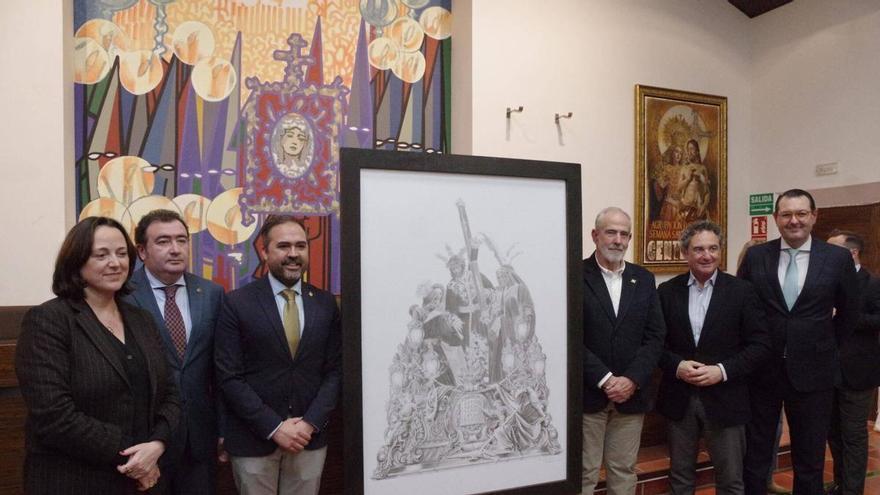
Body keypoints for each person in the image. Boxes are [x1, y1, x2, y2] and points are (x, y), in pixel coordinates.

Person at [15, 216, 180, 493]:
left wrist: (157, 444)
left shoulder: (142, 319)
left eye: (121, 253)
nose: (115, 263)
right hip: (74, 479)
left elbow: (171, 393)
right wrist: (134, 458)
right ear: (76, 262)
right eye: (101, 255)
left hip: (143, 477)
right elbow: (54, 416)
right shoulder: (48, 320)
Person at [738, 189, 858, 495]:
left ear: (814, 216)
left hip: (815, 372)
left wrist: (824, 345)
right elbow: (742, 308)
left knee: (810, 457)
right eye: (787, 214)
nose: (794, 221)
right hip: (762, 370)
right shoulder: (756, 256)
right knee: (756, 453)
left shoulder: (837, 258)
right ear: (776, 218)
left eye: (801, 214)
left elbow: (850, 313)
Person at [215, 215, 341, 495]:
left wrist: (310, 423)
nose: (293, 254)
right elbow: (229, 376)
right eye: (283, 246)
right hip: (254, 439)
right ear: (264, 252)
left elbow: (335, 370)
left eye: (300, 246)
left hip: (309, 438)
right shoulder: (236, 303)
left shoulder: (325, 303)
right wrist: (274, 427)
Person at [657, 220, 771, 495]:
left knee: (731, 480)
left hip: (726, 398)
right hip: (680, 399)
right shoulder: (667, 292)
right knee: (680, 478)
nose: (707, 255)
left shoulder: (742, 292)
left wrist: (722, 370)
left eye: (713, 248)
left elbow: (760, 345)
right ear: (685, 253)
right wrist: (676, 366)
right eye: (699, 249)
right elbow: (654, 344)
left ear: (721, 251)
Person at [125, 209, 226, 494]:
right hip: (145, 440)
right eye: (163, 241)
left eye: (181, 240)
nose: (175, 249)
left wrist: (223, 429)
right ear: (142, 251)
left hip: (200, 437)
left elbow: (220, 370)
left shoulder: (211, 293)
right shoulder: (123, 295)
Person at [581, 207, 666, 495]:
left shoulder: (643, 279)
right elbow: (570, 337)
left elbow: (655, 336)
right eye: (611, 232)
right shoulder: (574, 275)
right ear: (595, 235)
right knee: (584, 473)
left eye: (624, 234)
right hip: (588, 394)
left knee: (623, 470)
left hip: (631, 395)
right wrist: (605, 379)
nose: (618, 240)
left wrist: (631, 379)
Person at [825, 230, 880, 495]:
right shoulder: (826, 282)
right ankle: (840, 483)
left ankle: (852, 490)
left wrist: (845, 316)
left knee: (854, 435)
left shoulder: (872, 283)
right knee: (833, 433)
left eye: (832, 250)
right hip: (827, 371)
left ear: (852, 253)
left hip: (858, 373)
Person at [271, 113, 314, 179]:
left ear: (305, 144)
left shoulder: (302, 168)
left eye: (301, 138)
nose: (294, 142)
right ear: (280, 138)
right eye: (290, 135)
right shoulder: (278, 164)